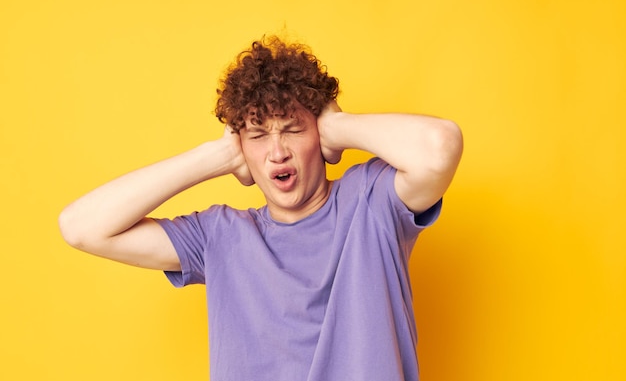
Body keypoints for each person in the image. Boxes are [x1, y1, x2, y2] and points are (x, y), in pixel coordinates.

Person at [58, 35, 463, 381]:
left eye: (292, 129)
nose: (277, 153)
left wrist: (339, 128)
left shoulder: (371, 202)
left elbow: (439, 147)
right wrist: (213, 157)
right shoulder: (219, 236)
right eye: (257, 136)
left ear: (318, 135)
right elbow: (81, 227)